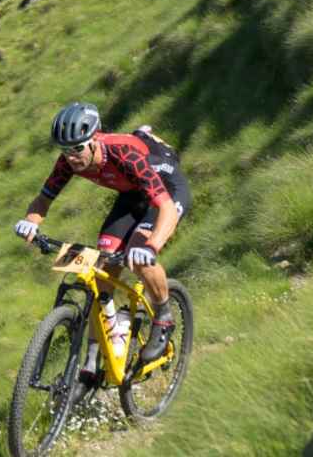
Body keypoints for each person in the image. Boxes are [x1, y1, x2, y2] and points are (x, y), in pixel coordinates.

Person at [13, 102, 191, 376]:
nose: (71, 157)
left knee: (138, 254)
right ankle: (91, 365)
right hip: (132, 193)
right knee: (102, 271)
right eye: (64, 150)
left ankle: (164, 317)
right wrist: (31, 222)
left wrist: (152, 246)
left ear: (94, 140)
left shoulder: (123, 153)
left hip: (166, 188)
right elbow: (44, 199)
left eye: (77, 148)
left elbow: (166, 207)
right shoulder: (68, 161)